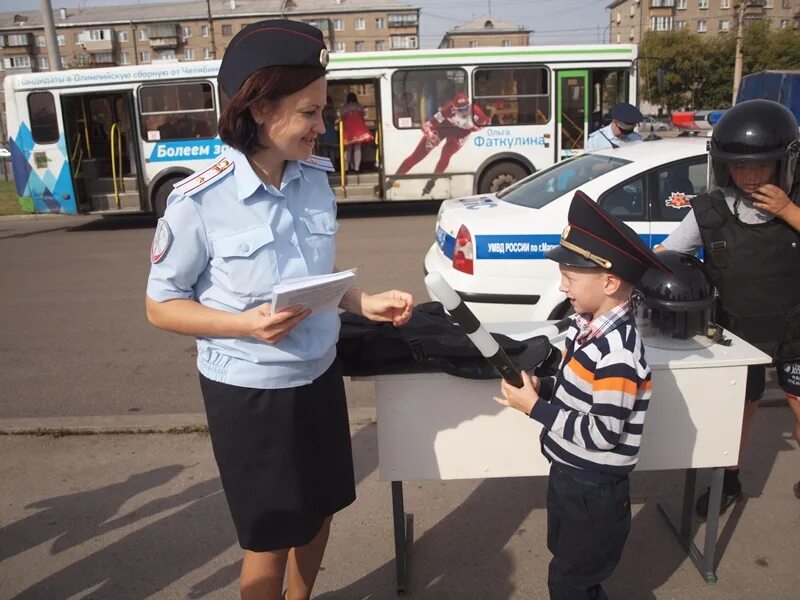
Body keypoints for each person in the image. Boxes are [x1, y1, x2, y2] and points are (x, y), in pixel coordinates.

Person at [145, 20, 414, 600]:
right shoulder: (197, 202)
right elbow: (161, 307)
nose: (326, 126)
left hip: (318, 374)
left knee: (321, 511)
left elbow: (313, 281)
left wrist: (361, 301)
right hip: (250, 394)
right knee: (268, 538)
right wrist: (244, 325)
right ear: (262, 109)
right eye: (311, 113)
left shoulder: (314, 180)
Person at [495, 190, 670, 599]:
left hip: (594, 491)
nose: (562, 286)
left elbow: (602, 433)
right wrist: (547, 387)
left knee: (572, 582)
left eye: (570, 278)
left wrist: (537, 408)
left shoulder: (618, 351)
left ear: (609, 281)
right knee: (567, 564)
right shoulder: (588, 328)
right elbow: (582, 392)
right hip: (572, 477)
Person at [655, 98, 800, 515]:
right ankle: (728, 480)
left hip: (795, 325)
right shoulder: (712, 209)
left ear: (784, 163)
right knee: (738, 412)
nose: (750, 176)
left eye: (760, 166)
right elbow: (668, 253)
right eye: (738, 166)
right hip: (737, 328)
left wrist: (789, 211)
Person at [395, 92, 491, 195]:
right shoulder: (448, 109)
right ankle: (393, 180)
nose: (464, 112)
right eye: (460, 110)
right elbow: (426, 125)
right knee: (417, 155)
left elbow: (488, 123)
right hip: (443, 128)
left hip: (460, 134)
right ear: (454, 107)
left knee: (446, 152)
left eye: (466, 109)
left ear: (469, 106)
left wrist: (472, 128)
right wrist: (430, 134)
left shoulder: (477, 113)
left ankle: (432, 181)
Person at [340, 92, 373, 173]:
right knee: (357, 149)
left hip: (348, 130)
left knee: (348, 150)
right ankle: (357, 168)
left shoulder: (344, 107)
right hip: (359, 130)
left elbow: (341, 116)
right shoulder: (360, 106)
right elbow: (363, 115)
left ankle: (347, 168)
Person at [318, 95, 339, 170]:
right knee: (332, 152)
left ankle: (325, 168)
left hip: (323, 132)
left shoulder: (321, 111)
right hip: (331, 132)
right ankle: (332, 168)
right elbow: (337, 120)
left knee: (324, 152)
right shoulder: (333, 111)